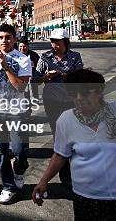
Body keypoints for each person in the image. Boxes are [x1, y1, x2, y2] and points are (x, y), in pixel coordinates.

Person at [32, 69, 116, 219]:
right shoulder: (65, 120)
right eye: (73, 94)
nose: (79, 98)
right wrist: (43, 181)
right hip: (86, 197)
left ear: (99, 92)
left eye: (85, 93)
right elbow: (60, 155)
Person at [0, 24, 32, 204]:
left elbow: (20, 86)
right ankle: (8, 186)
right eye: (1, 37)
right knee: (0, 151)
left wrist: (6, 66)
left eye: (8, 37)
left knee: (19, 150)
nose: (5, 41)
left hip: (17, 111)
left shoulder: (23, 59)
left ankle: (19, 171)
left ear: (14, 39)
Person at [36, 28, 83, 187]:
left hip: (71, 101)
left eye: (57, 42)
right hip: (52, 101)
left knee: (73, 134)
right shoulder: (45, 57)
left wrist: (61, 74)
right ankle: (64, 171)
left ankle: (77, 167)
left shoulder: (75, 57)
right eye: (52, 41)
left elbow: (80, 77)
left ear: (65, 42)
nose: (54, 44)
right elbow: (36, 78)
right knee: (58, 134)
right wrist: (46, 76)